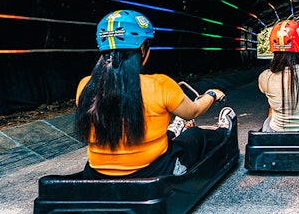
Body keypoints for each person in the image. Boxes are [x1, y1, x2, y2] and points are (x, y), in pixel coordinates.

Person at [74, 9, 235, 179]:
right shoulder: (160, 84)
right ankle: (223, 133)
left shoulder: (85, 86)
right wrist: (211, 94)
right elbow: (193, 112)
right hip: (153, 171)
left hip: (97, 174)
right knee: (195, 135)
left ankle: (172, 132)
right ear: (143, 49)